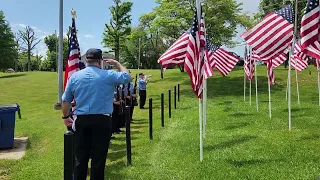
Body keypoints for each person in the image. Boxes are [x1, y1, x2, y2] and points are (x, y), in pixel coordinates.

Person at [61, 48, 131, 180]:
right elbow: (127, 77)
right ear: (100, 61)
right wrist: (117, 64)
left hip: (81, 120)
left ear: (86, 60)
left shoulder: (75, 76)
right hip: (102, 121)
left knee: (80, 157)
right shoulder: (108, 75)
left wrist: (65, 117)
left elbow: (65, 100)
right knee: (99, 158)